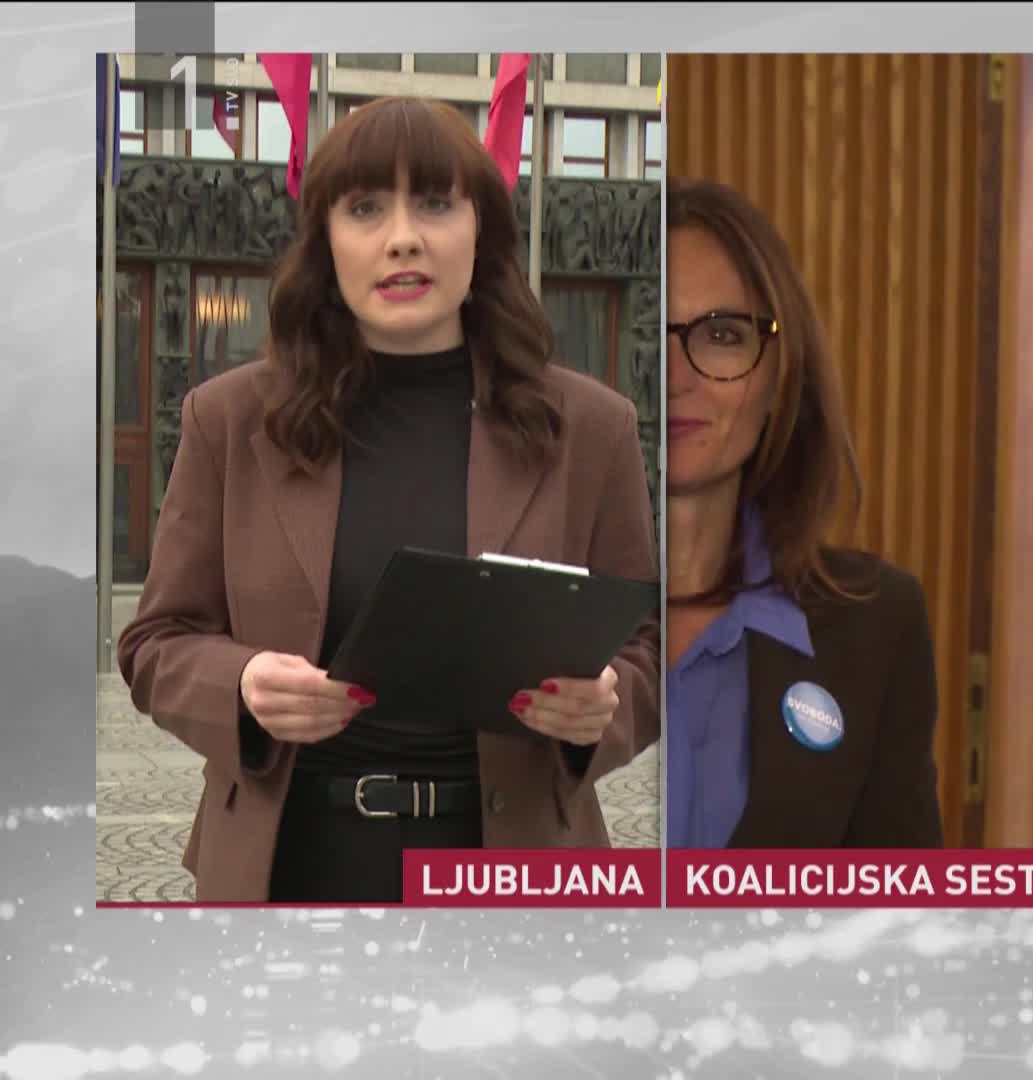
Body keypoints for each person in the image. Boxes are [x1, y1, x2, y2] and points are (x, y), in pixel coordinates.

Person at [116, 96, 662, 904]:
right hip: (287, 867)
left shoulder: (591, 428)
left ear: (481, 231)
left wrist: (602, 710)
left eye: (435, 203)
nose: (402, 236)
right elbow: (155, 644)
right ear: (326, 241)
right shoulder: (228, 419)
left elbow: (650, 644)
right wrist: (242, 684)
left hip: (513, 872)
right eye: (366, 208)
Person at [661, 177, 943, 849]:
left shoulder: (876, 625)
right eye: (650, 330)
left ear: (780, 378)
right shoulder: (526, 608)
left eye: (721, 335)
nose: (673, 377)